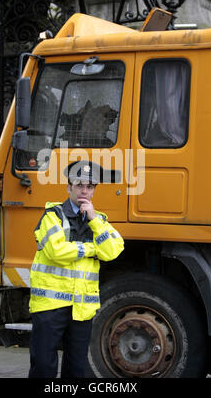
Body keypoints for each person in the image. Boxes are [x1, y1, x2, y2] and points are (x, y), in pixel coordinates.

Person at [28, 160, 124, 378]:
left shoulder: (99, 220)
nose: (84, 190)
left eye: (89, 187)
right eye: (79, 185)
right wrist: (92, 248)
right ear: (68, 187)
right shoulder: (52, 215)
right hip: (50, 305)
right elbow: (57, 252)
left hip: (81, 307)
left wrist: (94, 221)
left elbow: (113, 250)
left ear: (93, 191)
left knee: (76, 370)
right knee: (43, 367)